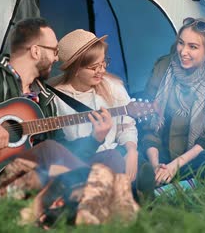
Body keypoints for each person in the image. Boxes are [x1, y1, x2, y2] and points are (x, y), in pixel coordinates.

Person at [0, 18, 117, 188]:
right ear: (35, 51)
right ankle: (92, 185)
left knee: (110, 157)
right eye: (54, 51)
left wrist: (95, 138)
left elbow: (62, 150)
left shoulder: (45, 97)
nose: (57, 58)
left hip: (33, 176)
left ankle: (95, 196)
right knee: (48, 151)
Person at [141, 17, 205, 185]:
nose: (183, 52)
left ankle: (168, 187)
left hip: (195, 158)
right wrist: (157, 166)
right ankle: (170, 184)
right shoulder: (163, 67)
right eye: (181, 43)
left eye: (193, 47)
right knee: (130, 155)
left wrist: (174, 166)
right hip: (160, 155)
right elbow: (149, 125)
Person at [49, 29, 138, 181]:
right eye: (93, 67)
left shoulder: (113, 86)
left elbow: (126, 126)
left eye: (103, 63)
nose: (101, 71)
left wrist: (131, 152)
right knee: (111, 159)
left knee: (136, 168)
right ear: (75, 69)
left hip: (116, 153)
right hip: (79, 162)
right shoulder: (53, 99)